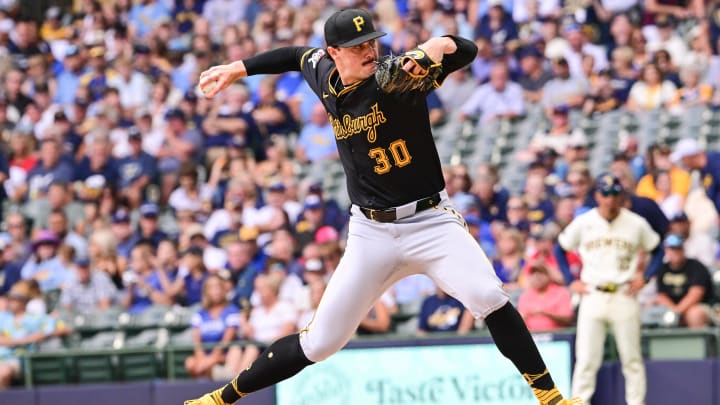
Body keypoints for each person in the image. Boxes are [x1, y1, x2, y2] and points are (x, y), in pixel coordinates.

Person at [187, 9, 581, 405]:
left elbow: (467, 51)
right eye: (358, 46)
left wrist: (438, 46)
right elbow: (294, 55)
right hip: (370, 232)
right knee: (321, 342)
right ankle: (223, 397)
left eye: (372, 41)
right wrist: (239, 68)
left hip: (429, 221)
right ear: (333, 53)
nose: (369, 50)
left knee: (487, 295)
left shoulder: (398, 79)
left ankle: (550, 397)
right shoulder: (324, 74)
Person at [555, 174, 662, 405]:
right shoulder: (585, 222)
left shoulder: (635, 222)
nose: (610, 199)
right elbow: (560, 248)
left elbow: (657, 248)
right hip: (593, 293)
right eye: (605, 193)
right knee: (586, 360)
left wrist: (646, 277)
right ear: (597, 196)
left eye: (615, 193)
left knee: (631, 359)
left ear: (621, 195)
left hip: (624, 293)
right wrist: (569, 280)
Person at [654, 234, 715, 328]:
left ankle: (697, 342)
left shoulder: (696, 266)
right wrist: (673, 311)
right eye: (672, 249)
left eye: (678, 248)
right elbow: (661, 295)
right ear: (666, 251)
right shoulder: (663, 269)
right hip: (670, 308)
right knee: (651, 313)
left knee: (695, 314)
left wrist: (678, 311)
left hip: (696, 306)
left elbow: (696, 294)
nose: (675, 252)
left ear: (683, 249)